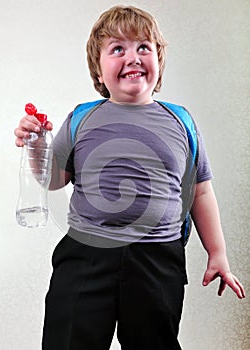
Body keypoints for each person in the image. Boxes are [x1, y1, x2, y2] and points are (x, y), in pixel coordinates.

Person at [14, 5, 245, 350]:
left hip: (157, 260)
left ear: (158, 60)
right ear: (98, 67)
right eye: (118, 48)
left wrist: (218, 253)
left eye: (144, 47)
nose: (133, 57)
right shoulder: (81, 118)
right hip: (85, 255)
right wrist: (35, 146)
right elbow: (53, 180)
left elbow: (200, 192)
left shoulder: (181, 122)